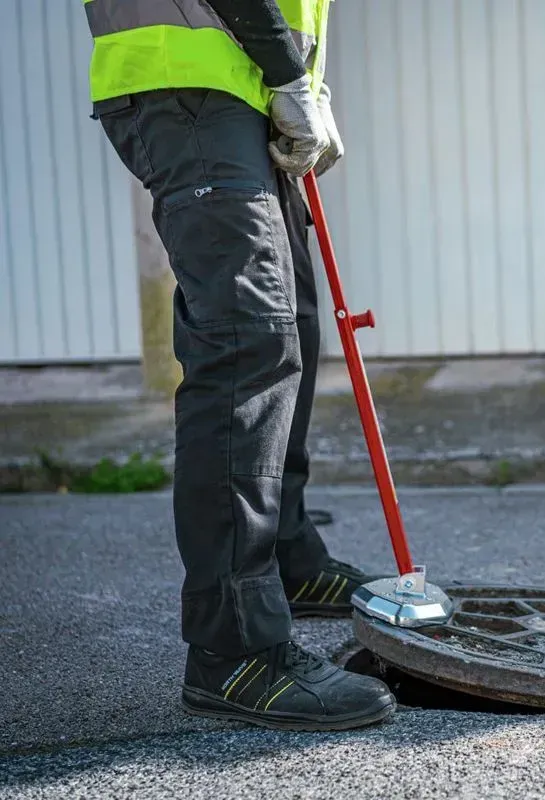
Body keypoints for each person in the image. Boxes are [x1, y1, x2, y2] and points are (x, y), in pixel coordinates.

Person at [82, 0, 395, 730]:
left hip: (247, 85)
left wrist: (303, 85)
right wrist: (288, 70)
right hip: (191, 83)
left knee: (294, 323)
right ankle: (234, 649)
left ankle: (286, 556)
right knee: (246, 343)